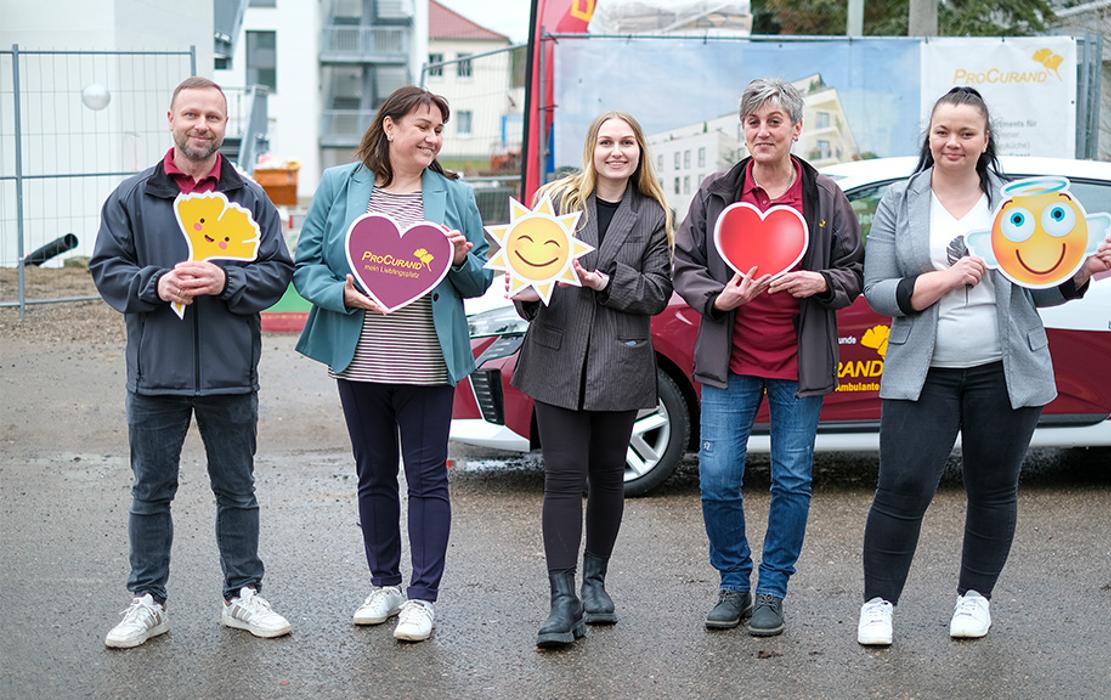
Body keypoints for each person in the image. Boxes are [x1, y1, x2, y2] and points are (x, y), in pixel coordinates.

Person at [856, 86, 1111, 646]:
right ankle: (878, 604)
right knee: (901, 485)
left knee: (994, 487)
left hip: (1002, 370)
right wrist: (944, 281)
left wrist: (1080, 270)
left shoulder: (1013, 202)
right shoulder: (897, 202)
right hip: (921, 372)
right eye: (942, 131)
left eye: (966, 133)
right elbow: (878, 291)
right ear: (929, 136)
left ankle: (974, 599)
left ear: (985, 140)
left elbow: (1038, 287)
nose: (953, 142)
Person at [91, 76, 295, 649]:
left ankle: (242, 596)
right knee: (151, 492)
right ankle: (148, 601)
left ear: (224, 125)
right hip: (156, 376)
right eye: (191, 115)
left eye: (213, 117)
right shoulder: (133, 197)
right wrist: (158, 283)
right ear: (171, 119)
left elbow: (279, 272)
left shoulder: (249, 198)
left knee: (238, 491)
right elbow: (107, 270)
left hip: (231, 375)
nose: (202, 125)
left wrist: (227, 278)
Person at [292, 86, 492, 642]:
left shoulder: (456, 193)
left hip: (427, 360)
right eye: (422, 126)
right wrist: (343, 295)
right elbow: (305, 264)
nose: (431, 138)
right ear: (390, 127)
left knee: (427, 478)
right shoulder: (340, 184)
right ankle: (385, 585)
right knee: (373, 474)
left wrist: (459, 259)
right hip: (360, 360)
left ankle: (423, 598)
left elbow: (479, 280)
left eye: (438, 130)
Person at [673, 78, 864, 637]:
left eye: (775, 121)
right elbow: (686, 265)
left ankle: (773, 590)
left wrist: (821, 281)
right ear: (744, 128)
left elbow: (855, 271)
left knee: (791, 478)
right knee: (716, 476)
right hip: (729, 361)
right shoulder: (716, 193)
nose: (763, 131)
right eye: (754, 121)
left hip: (797, 364)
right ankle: (734, 581)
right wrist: (718, 297)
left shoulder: (825, 198)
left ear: (796, 129)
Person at [507, 112, 674, 648]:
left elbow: (656, 292)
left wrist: (606, 281)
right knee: (561, 476)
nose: (616, 151)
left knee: (606, 477)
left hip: (619, 361)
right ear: (591, 149)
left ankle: (595, 582)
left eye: (627, 141)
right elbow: (526, 273)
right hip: (556, 357)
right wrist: (524, 294)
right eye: (606, 142)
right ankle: (563, 601)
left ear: (639, 151)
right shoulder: (557, 203)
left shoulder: (651, 214)